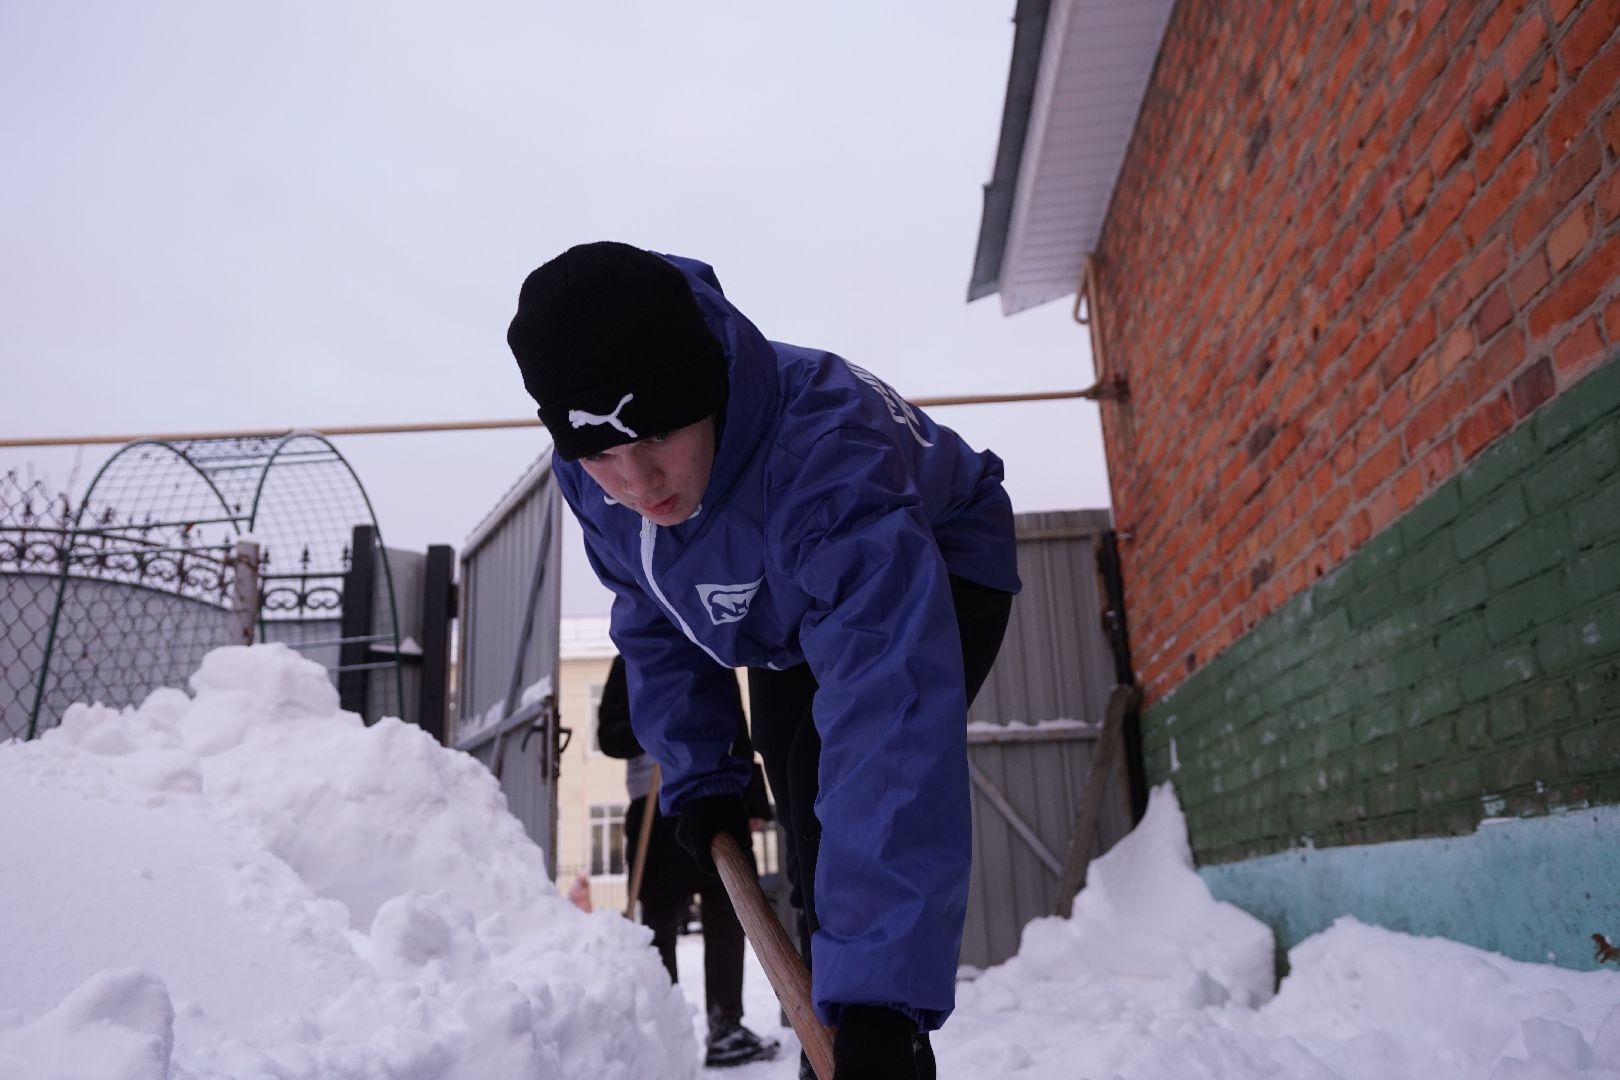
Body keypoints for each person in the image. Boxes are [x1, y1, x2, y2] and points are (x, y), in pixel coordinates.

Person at [507, 241, 1018, 1080]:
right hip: (784, 615)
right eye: (602, 454)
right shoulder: (593, 476)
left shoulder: (823, 455)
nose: (636, 480)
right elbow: (652, 609)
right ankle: (843, 1027)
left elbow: (886, 716)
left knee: (830, 783)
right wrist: (703, 775)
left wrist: (882, 1005)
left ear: (704, 390)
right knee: (799, 796)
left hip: (940, 558)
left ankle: (877, 1035)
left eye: (660, 432)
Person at [596, 652, 780, 1069]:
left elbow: (736, 729)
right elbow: (609, 736)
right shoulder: (630, 660)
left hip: (716, 797)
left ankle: (726, 1025)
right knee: (658, 922)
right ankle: (665, 1021)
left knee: (728, 914)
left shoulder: (708, 645)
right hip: (655, 811)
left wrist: (753, 800)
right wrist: (657, 726)